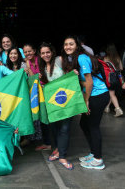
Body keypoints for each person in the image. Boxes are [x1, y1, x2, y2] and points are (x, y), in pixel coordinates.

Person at [62, 35, 110, 170]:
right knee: (84, 124)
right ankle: (94, 152)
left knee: (93, 126)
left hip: (97, 95)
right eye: (66, 44)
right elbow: (83, 82)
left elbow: (88, 82)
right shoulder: (75, 58)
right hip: (94, 95)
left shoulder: (82, 58)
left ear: (77, 46)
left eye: (71, 44)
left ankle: (98, 160)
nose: (68, 47)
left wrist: (86, 101)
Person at [39, 42, 74, 170]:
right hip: (53, 103)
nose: (45, 55)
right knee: (54, 128)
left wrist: (73, 72)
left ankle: (63, 157)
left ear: (52, 52)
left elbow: (70, 73)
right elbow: (48, 84)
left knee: (64, 128)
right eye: (43, 53)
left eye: (47, 52)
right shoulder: (43, 67)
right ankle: (57, 149)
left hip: (66, 100)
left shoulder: (60, 60)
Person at [103, 43, 123, 117]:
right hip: (118, 78)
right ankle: (107, 107)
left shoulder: (106, 58)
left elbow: (104, 69)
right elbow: (121, 68)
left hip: (110, 78)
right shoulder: (118, 58)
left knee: (112, 94)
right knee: (112, 93)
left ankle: (118, 109)